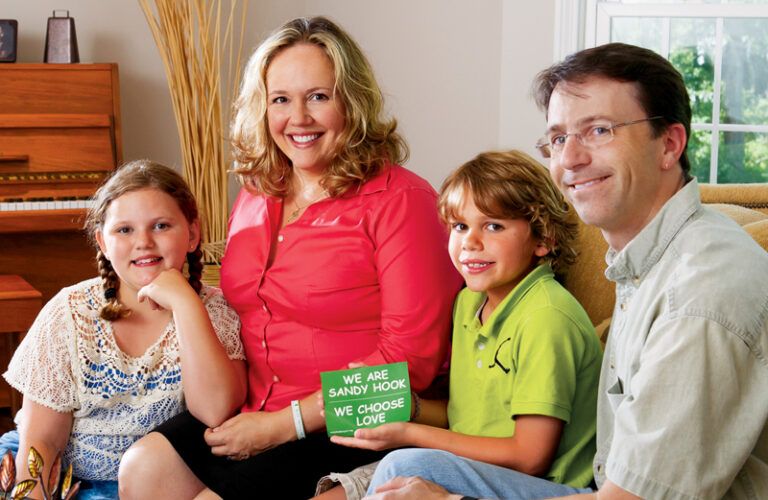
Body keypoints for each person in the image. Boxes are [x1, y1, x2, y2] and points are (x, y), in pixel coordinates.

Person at [364, 42, 768, 500]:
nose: (570, 159)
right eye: (558, 139)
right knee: (399, 470)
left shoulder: (699, 294)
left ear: (669, 144)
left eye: (598, 130)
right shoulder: (645, 261)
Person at [118, 16, 461, 500]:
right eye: (281, 99)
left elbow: (407, 370)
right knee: (142, 468)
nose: (298, 118)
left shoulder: (404, 202)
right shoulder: (257, 193)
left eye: (318, 96)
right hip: (254, 408)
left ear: (353, 101)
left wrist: (285, 424)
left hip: (346, 426)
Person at [318, 150, 602, 500]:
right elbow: (467, 422)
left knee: (399, 466)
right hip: (484, 468)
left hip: (552, 488)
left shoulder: (547, 318)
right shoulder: (469, 301)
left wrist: (409, 433)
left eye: (494, 226)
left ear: (543, 240)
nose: (470, 242)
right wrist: (410, 408)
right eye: (460, 226)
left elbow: (530, 458)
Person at [0, 160, 246, 500]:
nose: (143, 242)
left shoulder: (216, 313)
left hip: (157, 485)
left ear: (192, 234)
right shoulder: (69, 312)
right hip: (63, 477)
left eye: (160, 226)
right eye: (125, 230)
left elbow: (215, 410)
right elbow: (43, 440)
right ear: (102, 241)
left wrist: (187, 305)